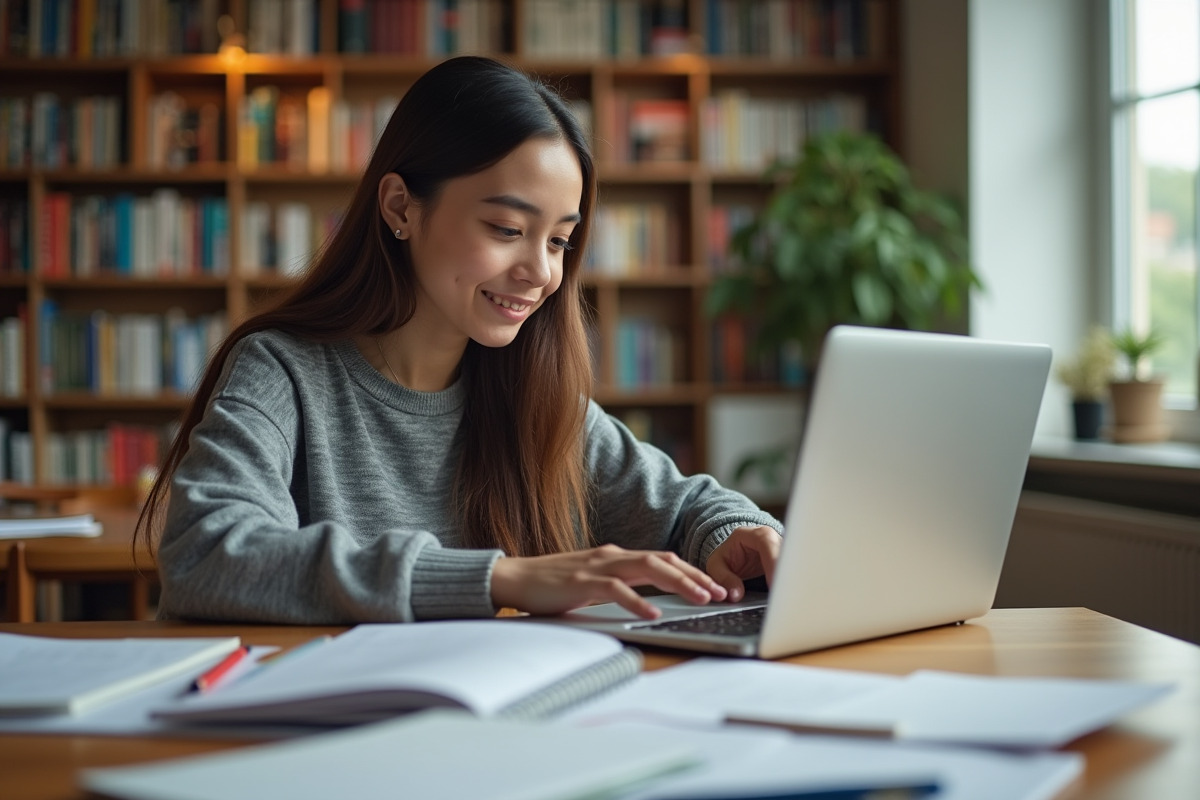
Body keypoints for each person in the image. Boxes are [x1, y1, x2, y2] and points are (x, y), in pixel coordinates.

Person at [137, 56, 783, 625]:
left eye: (559, 240)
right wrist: (497, 578)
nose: (542, 273)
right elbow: (206, 553)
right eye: (507, 228)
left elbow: (686, 507)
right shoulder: (282, 371)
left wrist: (735, 533)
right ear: (399, 209)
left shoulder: (532, 391)